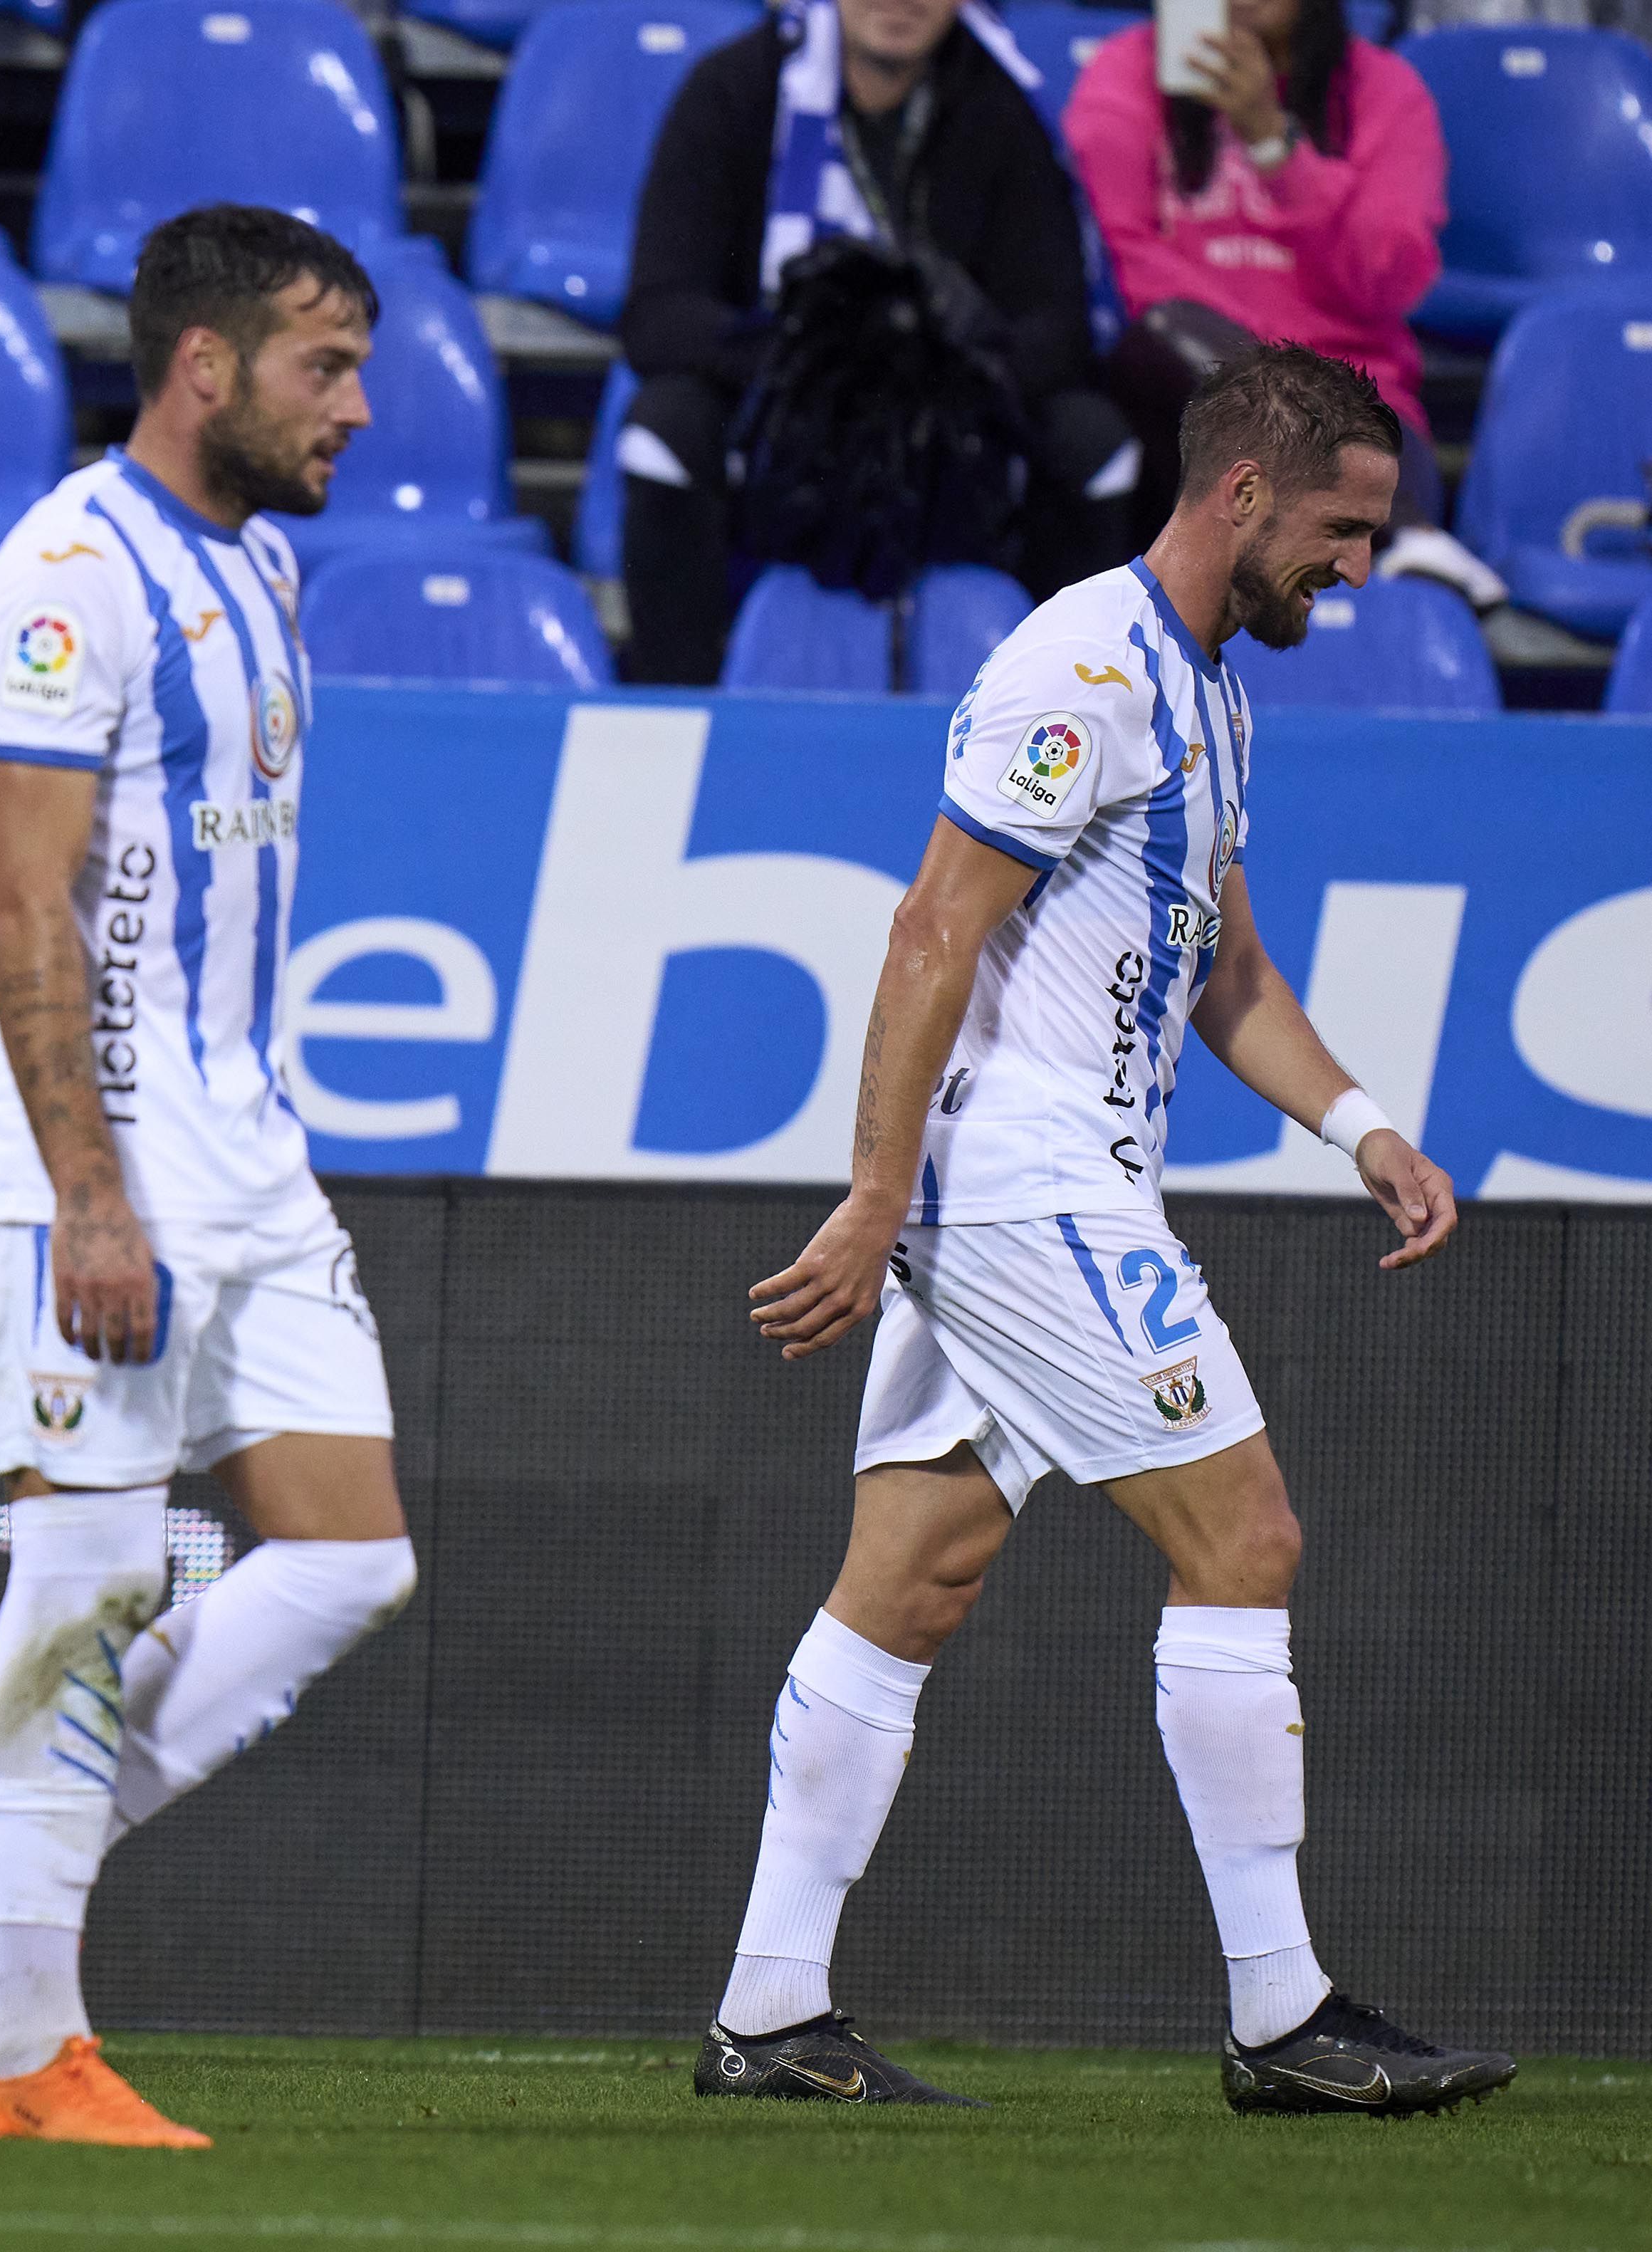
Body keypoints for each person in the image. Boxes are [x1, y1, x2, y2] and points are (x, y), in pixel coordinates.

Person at [699, 344, 1517, 2115]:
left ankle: (764, 2010)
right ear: (1239, 493)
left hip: (1038, 1179)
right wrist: (869, 1186)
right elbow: (928, 928)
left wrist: (1361, 1124)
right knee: (1245, 1537)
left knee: (906, 1578)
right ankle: (1279, 2013)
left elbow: (1226, 973)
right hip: (1021, 1178)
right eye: (1340, 530)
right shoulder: (1078, 661)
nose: (1358, 572)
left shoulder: (1207, 693)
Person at [0, 204, 419, 2149]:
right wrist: (87, 1195)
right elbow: (21, 902)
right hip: (84, 1168)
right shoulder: (72, 572)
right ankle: (33, 2054)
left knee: (356, 1552)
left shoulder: (264, 564)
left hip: (249, 1156)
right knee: (91, 1578)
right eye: (324, 367)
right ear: (206, 366)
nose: (359, 406)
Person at [618, 0, 1137, 684]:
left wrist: (941, 373)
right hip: (782, 429)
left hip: (949, 435)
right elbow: (658, 314)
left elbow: (1059, 326)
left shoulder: (1001, 107)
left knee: (1089, 439)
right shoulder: (733, 90)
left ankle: (1072, 719)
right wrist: (814, 361)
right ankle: (672, 709)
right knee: (666, 427)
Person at [1064, 0, 1502, 601]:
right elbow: (1130, 269)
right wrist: (1279, 369)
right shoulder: (1125, 76)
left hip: (1362, 399)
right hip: (1190, 406)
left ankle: (1389, 531)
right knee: (1168, 333)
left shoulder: (1382, 90)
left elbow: (1391, 277)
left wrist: (1273, 145)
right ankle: (1398, 533)